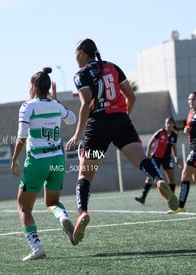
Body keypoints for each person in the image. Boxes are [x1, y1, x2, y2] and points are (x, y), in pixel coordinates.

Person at [65, 38, 179, 244]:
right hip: (120, 120)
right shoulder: (113, 67)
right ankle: (160, 181)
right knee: (142, 159)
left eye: (75, 55)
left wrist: (77, 134)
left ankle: (82, 212)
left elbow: (85, 104)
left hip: (97, 125)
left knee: (85, 174)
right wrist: (123, 117)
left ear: (82, 53)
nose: (75, 59)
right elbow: (131, 96)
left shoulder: (81, 74)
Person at [10, 67, 77, 261]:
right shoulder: (56, 106)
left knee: (24, 208)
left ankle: (37, 247)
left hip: (37, 162)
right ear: (48, 88)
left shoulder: (27, 107)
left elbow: (22, 137)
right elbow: (72, 119)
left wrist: (14, 160)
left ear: (33, 87)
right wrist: (57, 102)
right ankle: (62, 217)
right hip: (57, 160)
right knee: (53, 202)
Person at [135, 117, 181, 204]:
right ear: (165, 124)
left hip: (167, 158)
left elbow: (173, 147)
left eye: (170, 123)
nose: (168, 125)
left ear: (173, 124)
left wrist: (175, 157)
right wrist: (148, 154)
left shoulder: (174, 135)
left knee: (171, 178)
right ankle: (143, 197)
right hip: (156, 158)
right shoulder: (160, 132)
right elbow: (151, 142)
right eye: (167, 123)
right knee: (150, 176)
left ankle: (172, 198)